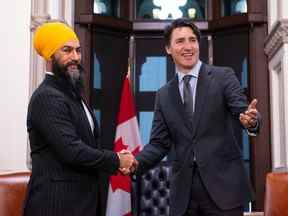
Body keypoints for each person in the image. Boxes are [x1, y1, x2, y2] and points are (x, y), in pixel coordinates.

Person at [131, 18, 260, 216]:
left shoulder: (223, 76)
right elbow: (158, 144)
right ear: (168, 48)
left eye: (192, 40)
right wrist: (135, 162)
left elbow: (244, 112)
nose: (188, 46)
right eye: (180, 41)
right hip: (184, 196)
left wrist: (251, 121)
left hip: (224, 191)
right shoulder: (164, 95)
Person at [24, 21, 134, 216]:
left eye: (78, 50)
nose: (75, 57)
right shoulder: (47, 97)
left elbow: (87, 145)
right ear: (50, 55)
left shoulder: (72, 94)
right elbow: (73, 151)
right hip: (57, 206)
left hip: (84, 203)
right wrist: (116, 160)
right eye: (66, 50)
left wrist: (117, 159)